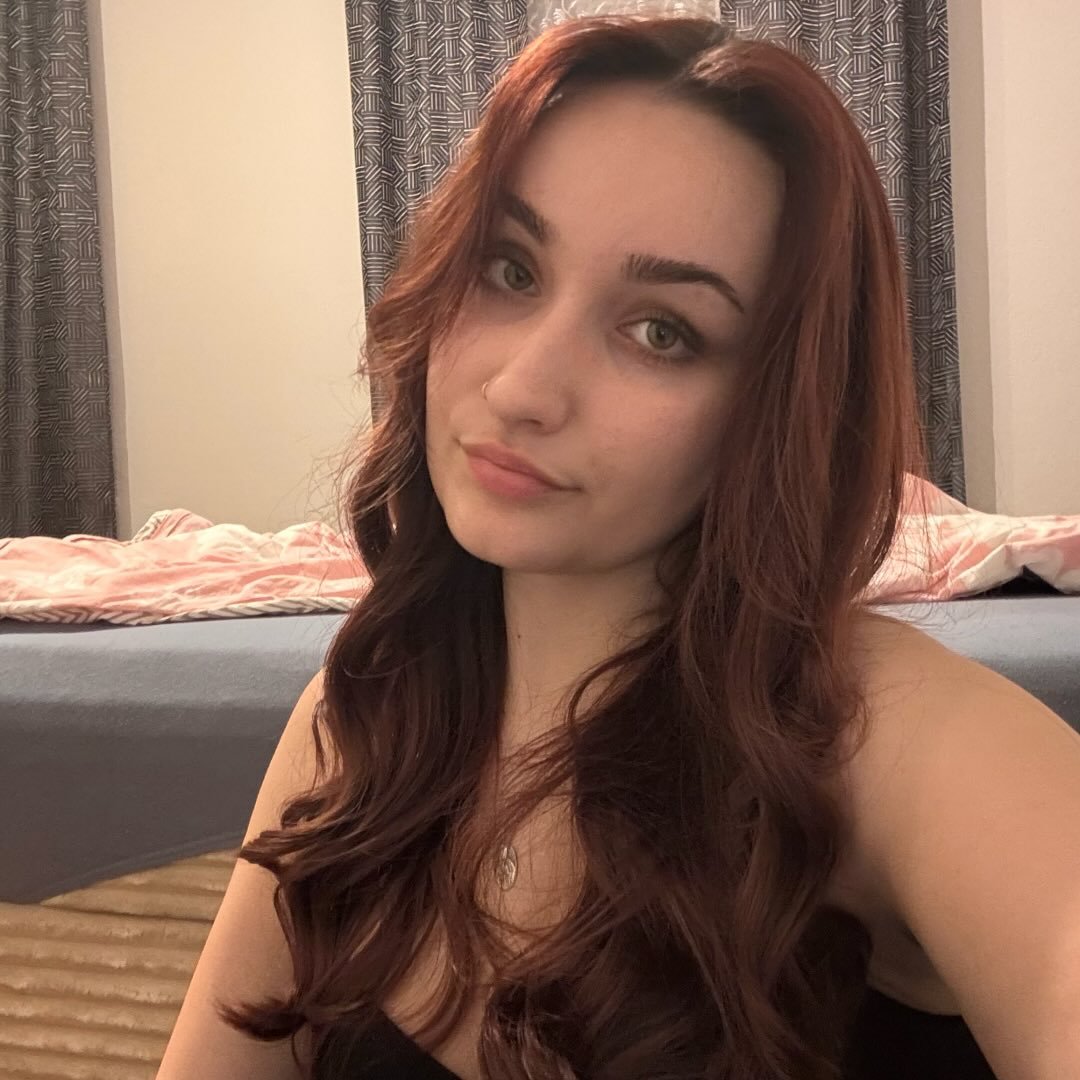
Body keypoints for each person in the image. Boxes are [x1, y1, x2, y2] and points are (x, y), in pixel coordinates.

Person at [155, 13, 1080, 1080]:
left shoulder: (888, 738)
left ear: (776, 410)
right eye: (508, 269)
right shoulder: (365, 717)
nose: (523, 388)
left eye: (661, 332)